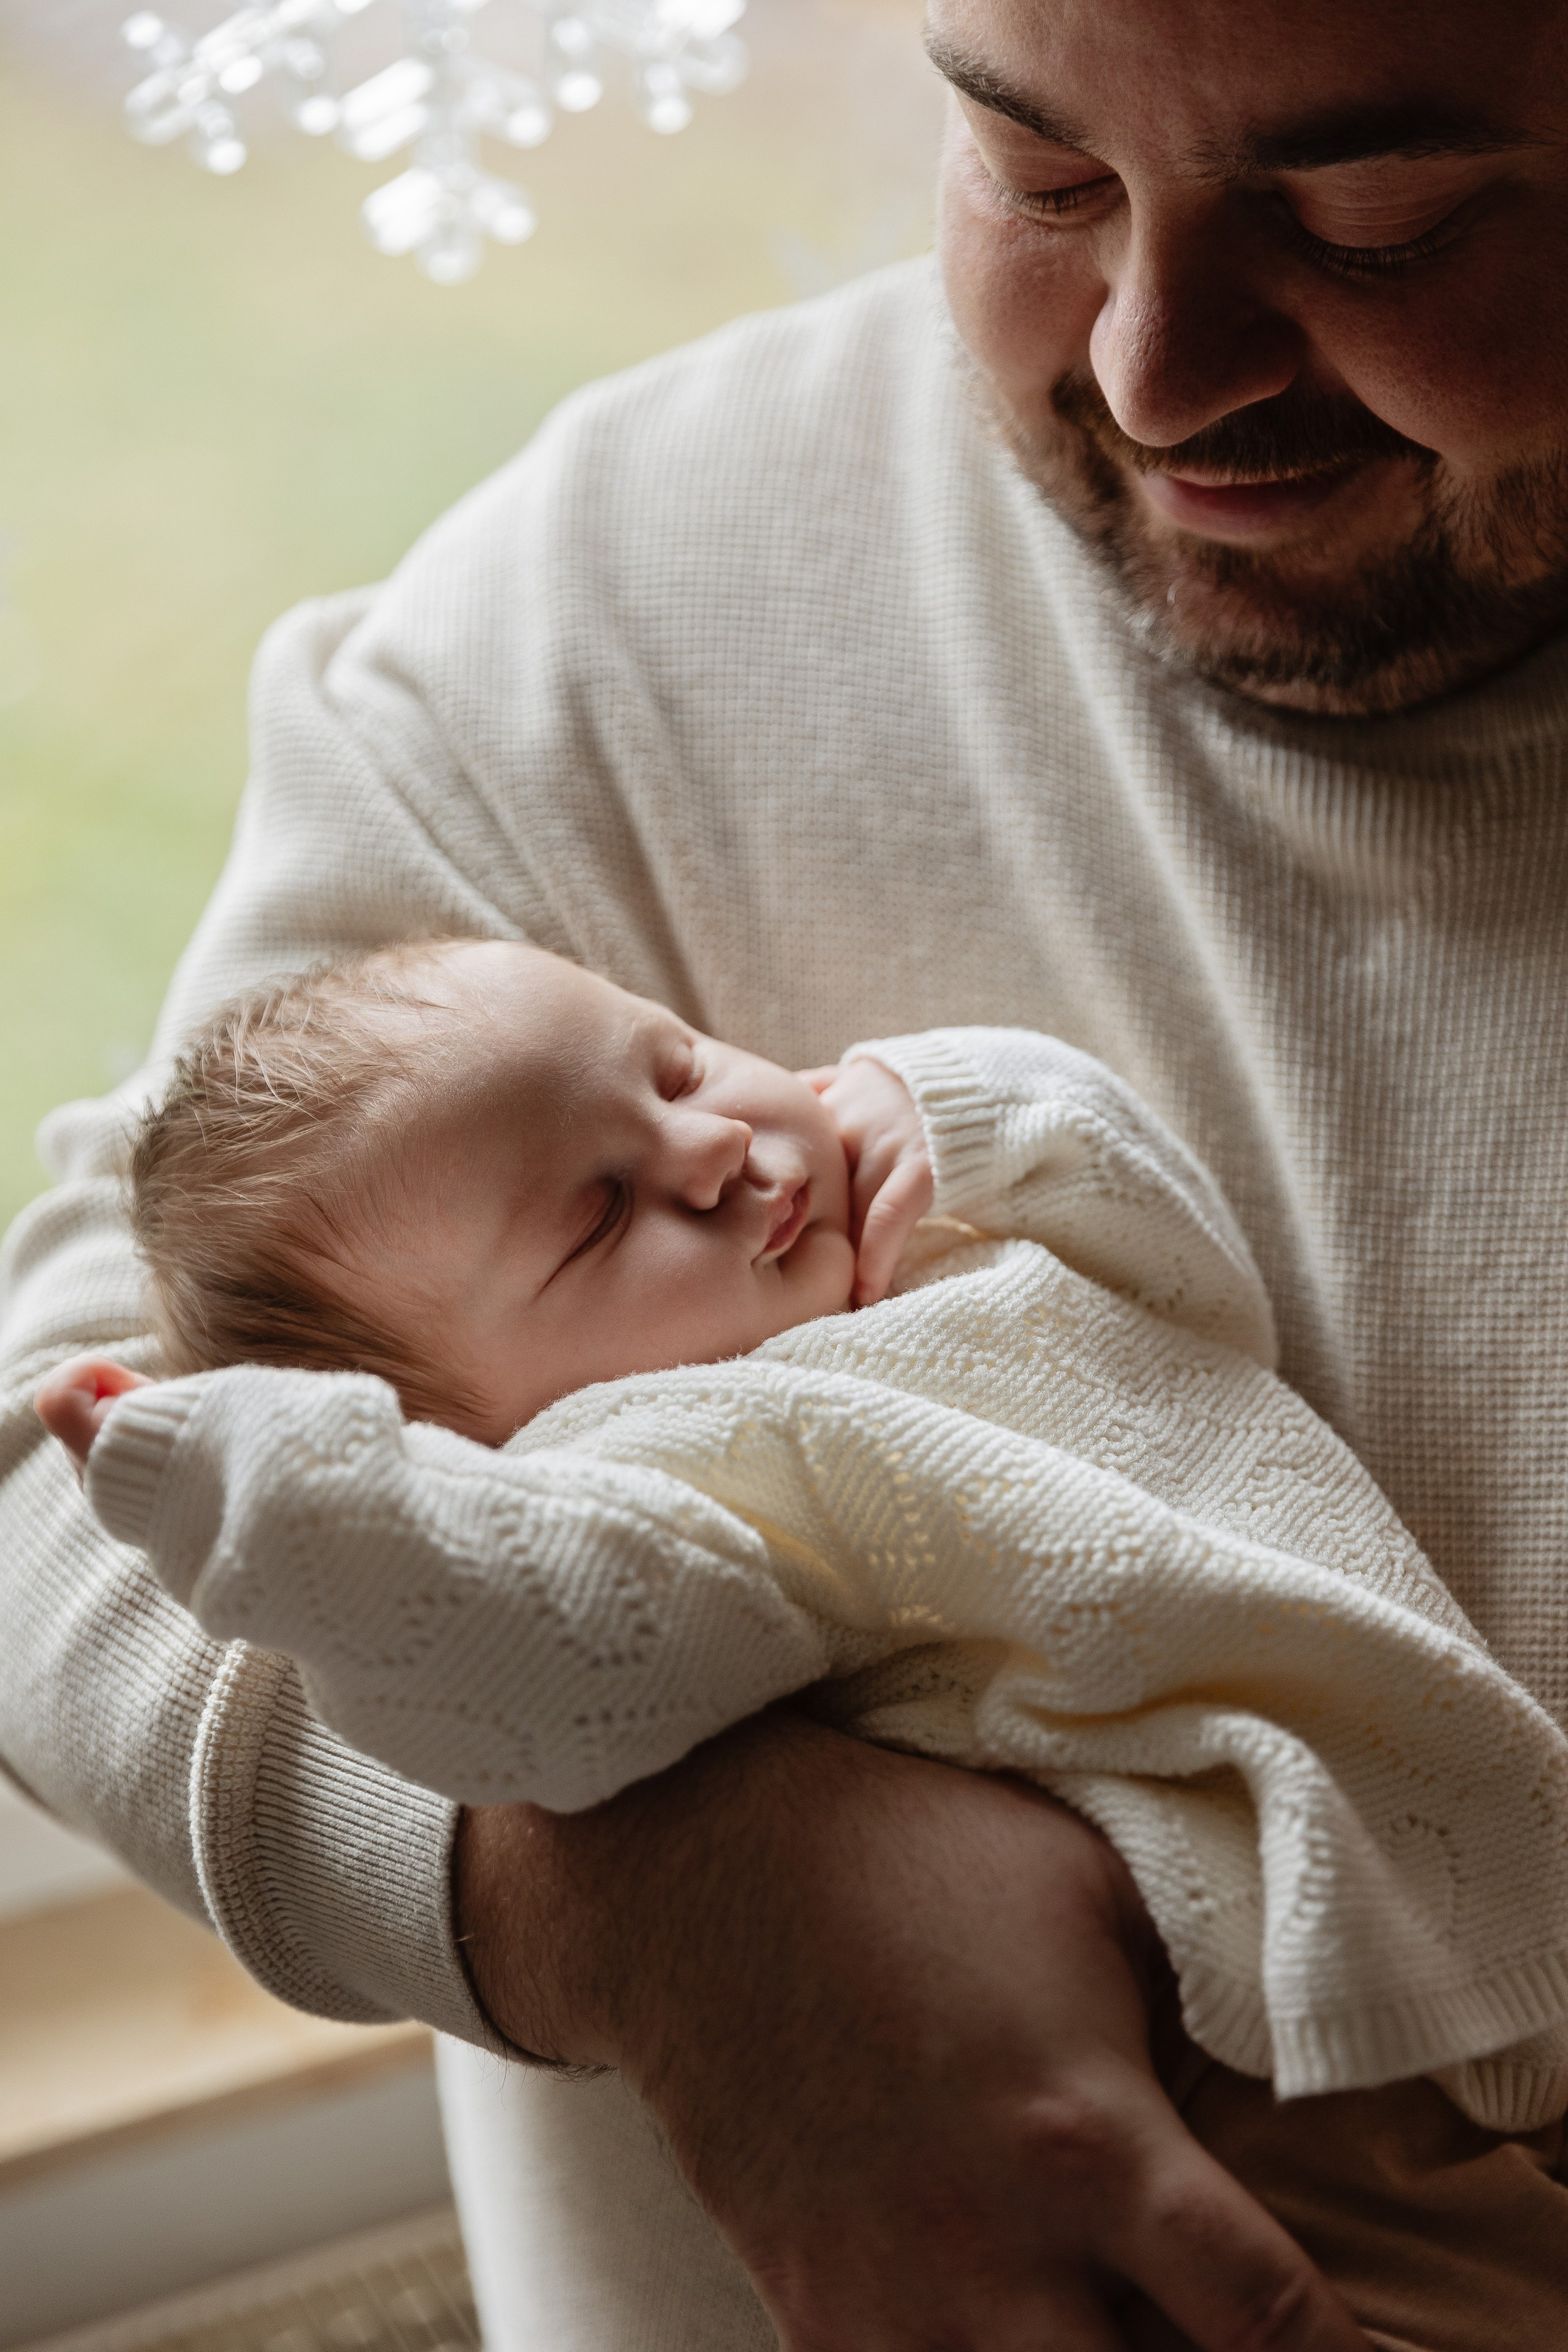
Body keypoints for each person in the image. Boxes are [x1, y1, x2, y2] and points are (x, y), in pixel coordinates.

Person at [4, 0, 1567, 2342]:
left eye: (1378, 216)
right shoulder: (607, 606)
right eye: (1034, 173)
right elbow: (78, 1447)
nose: (1154, 371)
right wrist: (655, 1888)